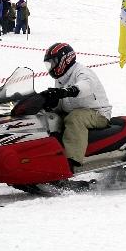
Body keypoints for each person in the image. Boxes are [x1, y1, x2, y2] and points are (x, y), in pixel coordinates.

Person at [39, 43, 112, 171]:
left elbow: (85, 86)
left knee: (74, 118)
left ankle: (70, 162)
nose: (51, 67)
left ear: (65, 59)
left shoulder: (82, 72)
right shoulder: (61, 78)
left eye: (53, 62)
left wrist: (68, 91)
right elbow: (64, 102)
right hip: (76, 111)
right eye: (48, 64)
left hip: (98, 114)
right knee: (49, 118)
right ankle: (49, 156)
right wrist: (50, 103)